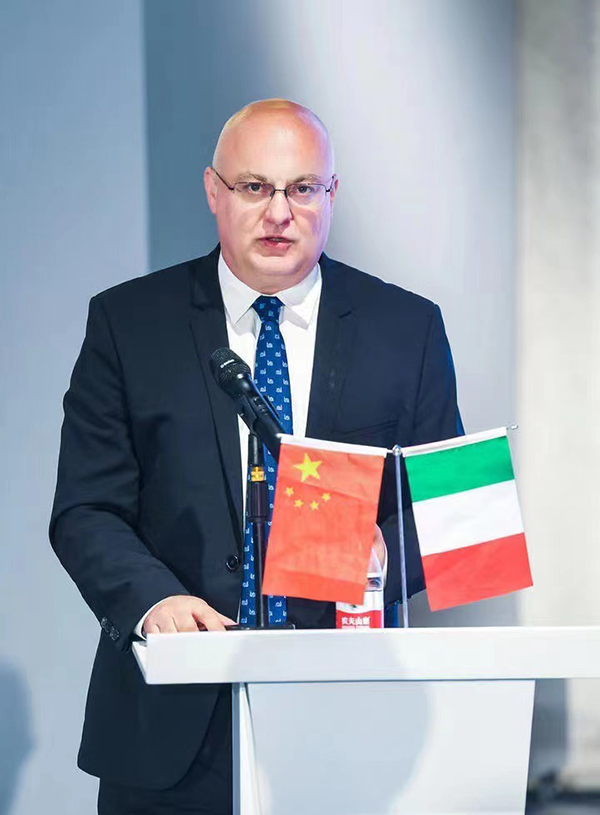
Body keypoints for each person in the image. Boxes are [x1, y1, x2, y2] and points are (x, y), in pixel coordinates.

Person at [49, 98, 463, 814]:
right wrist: (154, 600)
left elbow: (445, 508)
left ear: (332, 195)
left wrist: (377, 563)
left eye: (302, 188)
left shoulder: (408, 328)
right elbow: (87, 508)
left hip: (350, 716)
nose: (279, 213)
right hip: (172, 724)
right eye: (254, 187)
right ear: (214, 192)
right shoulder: (130, 323)